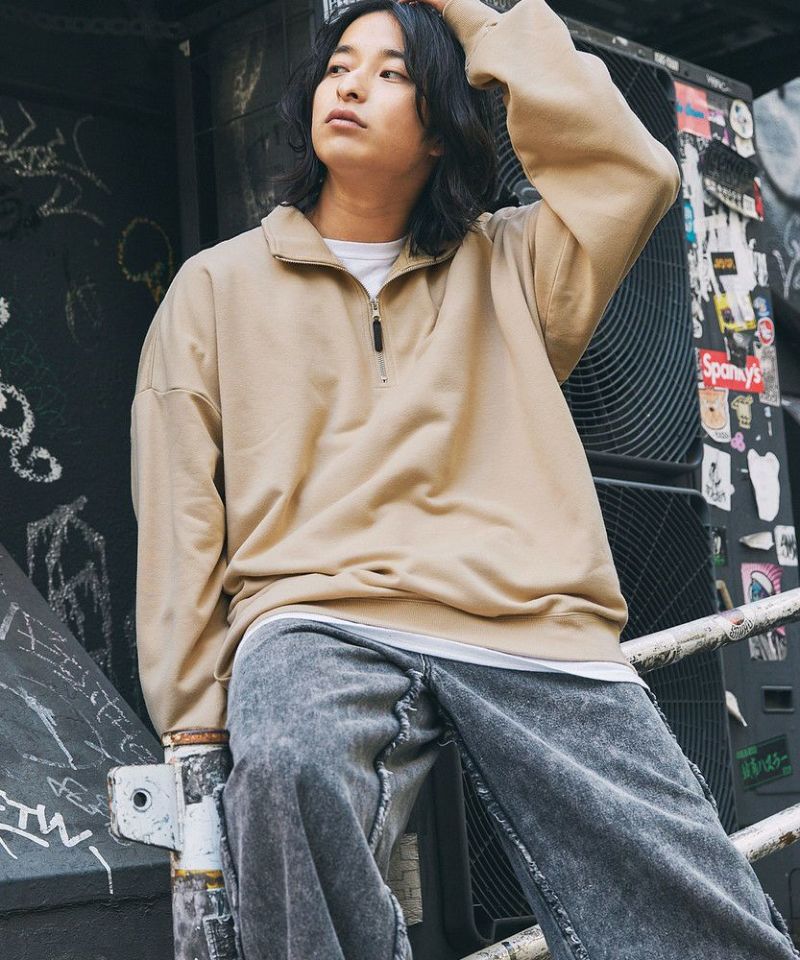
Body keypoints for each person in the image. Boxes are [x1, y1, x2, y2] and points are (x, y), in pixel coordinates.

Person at [129, 0, 800, 957]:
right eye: (338, 66)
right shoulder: (214, 286)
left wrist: (467, 15)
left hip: (530, 619)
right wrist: (194, 727)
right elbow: (180, 512)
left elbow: (636, 171)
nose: (350, 86)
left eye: (392, 72)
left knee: (687, 888)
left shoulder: (518, 263)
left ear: (442, 127)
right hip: (313, 616)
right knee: (284, 765)